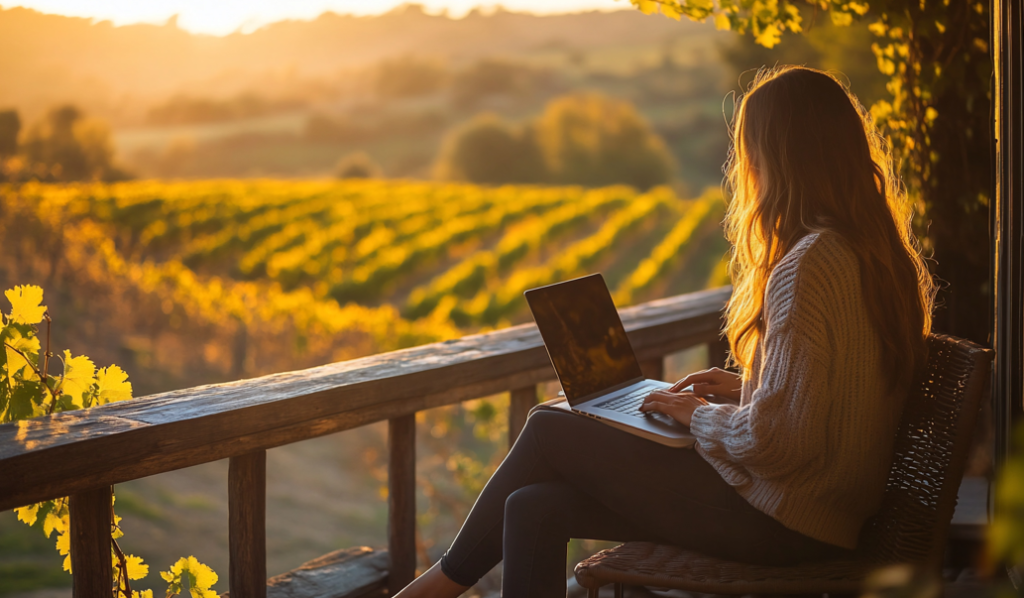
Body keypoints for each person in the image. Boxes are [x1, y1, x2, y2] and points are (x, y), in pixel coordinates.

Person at [394, 65, 936, 598]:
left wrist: (696, 415)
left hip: (782, 520)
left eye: (751, 152)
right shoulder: (877, 255)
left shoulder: (810, 263)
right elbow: (830, 404)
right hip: (824, 514)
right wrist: (748, 390)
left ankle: (434, 589)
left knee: (548, 427)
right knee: (531, 506)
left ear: (777, 157)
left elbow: (777, 445)